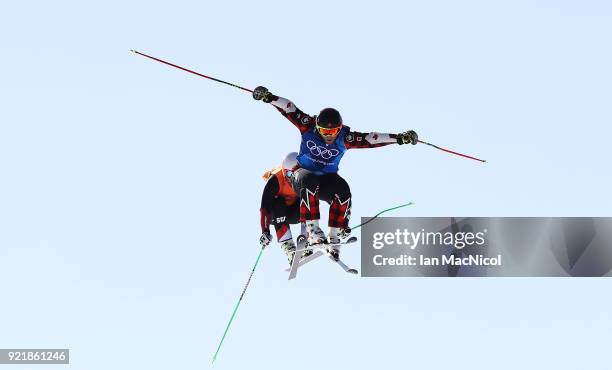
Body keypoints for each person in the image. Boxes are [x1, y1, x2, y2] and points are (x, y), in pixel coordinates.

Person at [253, 86, 418, 259]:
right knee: (309, 180)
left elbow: (371, 139)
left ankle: (335, 234)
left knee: (343, 190)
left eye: (333, 131)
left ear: (339, 129)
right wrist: (269, 97)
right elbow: (289, 108)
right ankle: (312, 231)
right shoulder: (308, 126)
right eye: (325, 131)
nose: (329, 135)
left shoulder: (344, 138)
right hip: (301, 176)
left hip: (326, 178)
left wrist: (399, 138)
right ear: (318, 127)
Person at [259, 152, 311, 264]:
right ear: (283, 172)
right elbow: (264, 208)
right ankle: (289, 247)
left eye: (296, 174)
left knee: (308, 197)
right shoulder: (275, 179)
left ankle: (307, 237)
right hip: (276, 215)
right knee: (279, 202)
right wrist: (265, 231)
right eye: (289, 175)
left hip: (295, 213)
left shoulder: (305, 176)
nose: (292, 178)